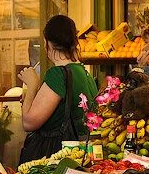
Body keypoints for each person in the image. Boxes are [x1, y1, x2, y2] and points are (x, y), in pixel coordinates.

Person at [18, 15, 98, 163]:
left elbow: (29, 123)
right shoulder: (85, 73)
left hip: (57, 158)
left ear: (48, 43)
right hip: (82, 155)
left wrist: (32, 85)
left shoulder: (57, 74)